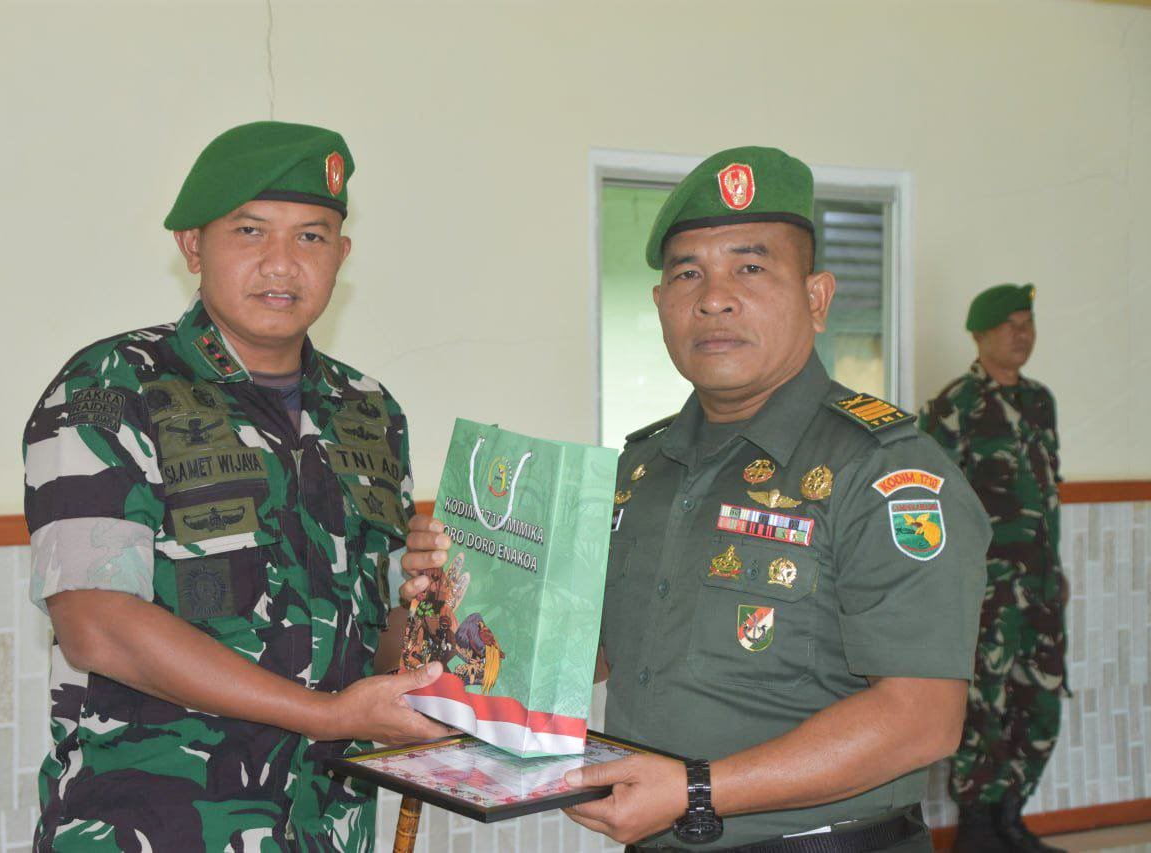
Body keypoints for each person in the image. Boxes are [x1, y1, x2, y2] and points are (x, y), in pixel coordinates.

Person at [402, 146, 991, 851]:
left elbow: (924, 718)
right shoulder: (637, 472)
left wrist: (699, 789)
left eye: (751, 267)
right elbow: (572, 659)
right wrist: (450, 598)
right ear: (661, 306)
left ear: (816, 298)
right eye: (687, 273)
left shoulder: (883, 470)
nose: (713, 297)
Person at [22, 121, 450, 852]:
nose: (282, 263)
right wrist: (329, 716)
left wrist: (437, 622)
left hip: (326, 829)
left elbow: (371, 637)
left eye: (311, 237)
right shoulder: (113, 386)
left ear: (341, 255)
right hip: (153, 829)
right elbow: (97, 624)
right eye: (250, 231)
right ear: (192, 245)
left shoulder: (370, 411)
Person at [919, 284, 1065, 853]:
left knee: (1039, 702)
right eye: (1010, 325)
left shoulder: (1040, 401)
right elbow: (929, 504)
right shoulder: (954, 406)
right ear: (980, 335)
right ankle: (978, 833)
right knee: (985, 709)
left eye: (1029, 324)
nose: (1023, 335)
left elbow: (1047, 497)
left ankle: (1010, 821)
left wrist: (1056, 576)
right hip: (985, 594)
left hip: (1040, 589)